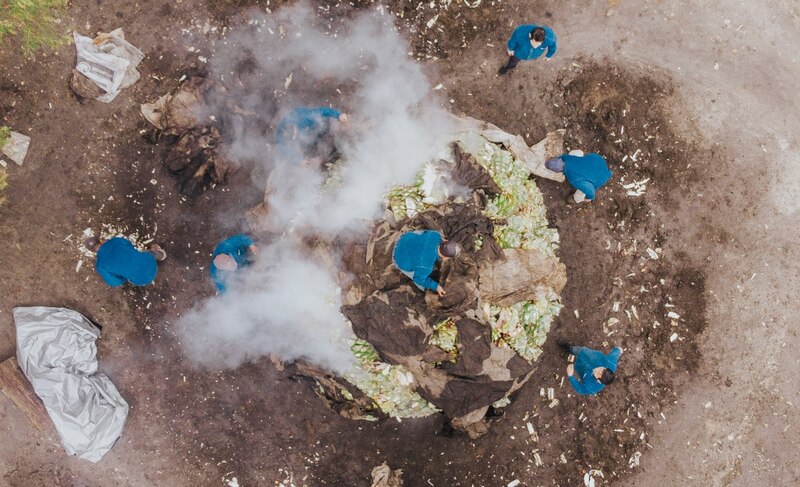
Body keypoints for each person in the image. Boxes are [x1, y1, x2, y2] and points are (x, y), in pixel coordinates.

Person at [392, 230, 460, 297]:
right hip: (398, 256)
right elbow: (418, 279)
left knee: (422, 234)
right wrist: (436, 287)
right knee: (420, 280)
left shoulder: (435, 234)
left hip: (404, 238)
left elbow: (429, 235)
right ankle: (396, 263)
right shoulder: (425, 266)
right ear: (445, 257)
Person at [275, 107, 348, 164]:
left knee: (323, 129)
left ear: (294, 126)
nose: (295, 137)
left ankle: (335, 149)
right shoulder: (281, 137)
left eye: (295, 134)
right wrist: (298, 161)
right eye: (293, 138)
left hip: (313, 126)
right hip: (306, 134)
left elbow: (322, 111)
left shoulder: (305, 117)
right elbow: (284, 150)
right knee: (308, 147)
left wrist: (338, 115)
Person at [85, 236, 166, 287]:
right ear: (100, 240)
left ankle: (133, 277)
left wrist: (123, 275)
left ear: (92, 251)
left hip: (142, 280)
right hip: (151, 263)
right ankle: (160, 254)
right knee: (144, 254)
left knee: (129, 275)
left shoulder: (100, 265)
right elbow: (129, 245)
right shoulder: (115, 240)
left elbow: (114, 282)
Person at [545, 150, 613, 204]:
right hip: (599, 161)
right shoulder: (566, 158)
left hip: (600, 178)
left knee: (580, 194)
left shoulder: (574, 179)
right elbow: (562, 157)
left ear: (558, 171)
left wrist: (588, 198)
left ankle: (575, 199)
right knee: (577, 153)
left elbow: (590, 190)